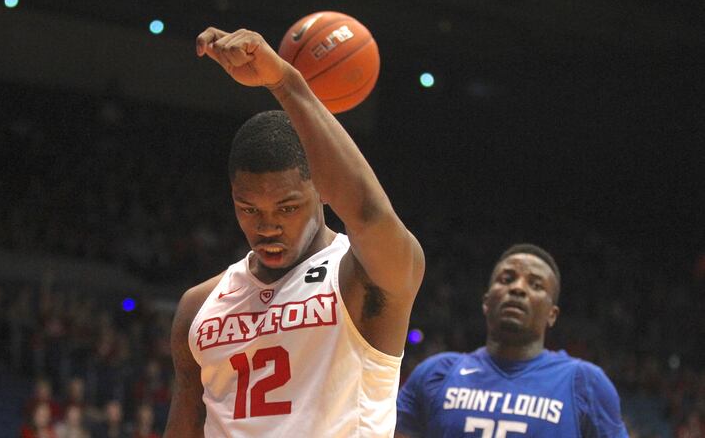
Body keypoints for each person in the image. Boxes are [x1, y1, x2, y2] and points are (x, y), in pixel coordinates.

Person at [163, 26, 425, 437]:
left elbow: (370, 215)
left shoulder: (362, 277)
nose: (267, 225)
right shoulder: (198, 306)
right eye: (248, 208)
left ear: (322, 189)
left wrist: (286, 82)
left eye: (287, 207)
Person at [396, 244, 629, 437]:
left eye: (536, 285)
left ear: (552, 314)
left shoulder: (585, 383)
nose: (518, 288)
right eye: (507, 279)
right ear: (486, 301)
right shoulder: (436, 373)